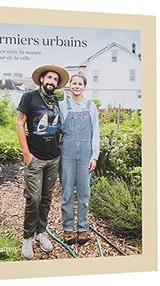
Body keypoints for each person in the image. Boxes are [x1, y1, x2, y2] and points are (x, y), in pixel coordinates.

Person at [16, 65, 69, 259]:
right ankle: (27, 238)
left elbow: (58, 126)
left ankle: (41, 232)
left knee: (46, 199)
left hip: (53, 158)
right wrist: (26, 153)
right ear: (41, 79)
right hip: (35, 158)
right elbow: (20, 122)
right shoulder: (29, 97)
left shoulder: (55, 100)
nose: (52, 82)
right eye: (49, 78)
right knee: (33, 199)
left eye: (55, 80)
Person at [59, 71, 100, 245]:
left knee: (84, 193)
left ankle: (83, 229)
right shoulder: (61, 105)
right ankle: (68, 229)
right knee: (67, 192)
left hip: (86, 154)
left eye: (80, 84)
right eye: (74, 83)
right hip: (66, 153)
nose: (77, 86)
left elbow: (96, 133)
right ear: (70, 86)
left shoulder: (91, 106)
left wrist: (94, 156)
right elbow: (54, 128)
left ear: (84, 86)